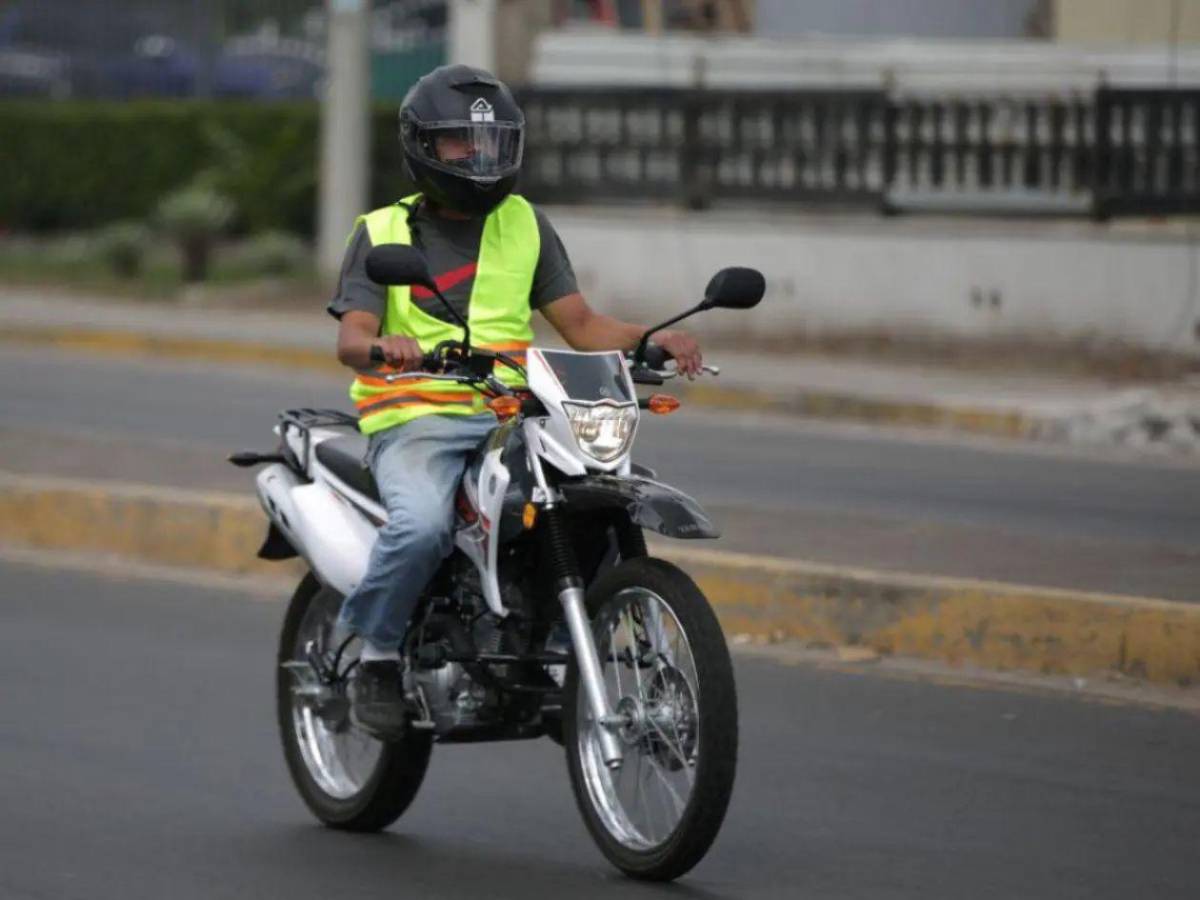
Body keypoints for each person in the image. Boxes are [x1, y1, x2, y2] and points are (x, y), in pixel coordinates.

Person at [327, 64, 702, 733]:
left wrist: (654, 337)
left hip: (516, 412)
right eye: (460, 145)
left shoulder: (524, 223)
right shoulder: (382, 232)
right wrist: (389, 347)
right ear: (421, 147)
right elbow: (353, 340)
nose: (480, 158)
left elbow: (582, 327)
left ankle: (552, 643)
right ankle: (378, 654)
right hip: (418, 416)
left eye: (493, 143)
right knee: (420, 527)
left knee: (595, 495)